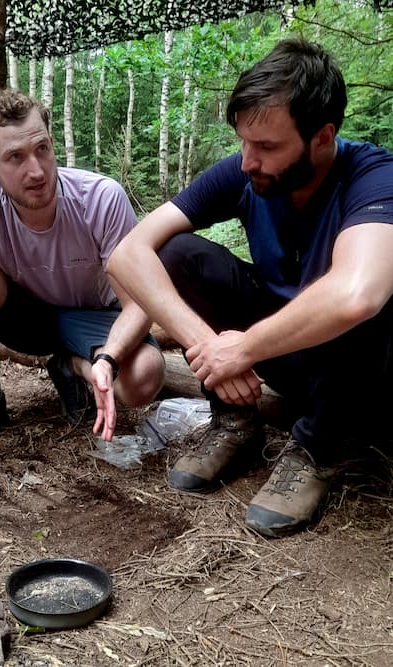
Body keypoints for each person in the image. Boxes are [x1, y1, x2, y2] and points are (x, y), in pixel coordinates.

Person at [108, 38, 393, 537]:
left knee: (367, 294)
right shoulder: (244, 174)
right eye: (243, 141)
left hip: (362, 368)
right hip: (287, 356)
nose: (247, 161)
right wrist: (208, 348)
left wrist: (245, 348)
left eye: (266, 147)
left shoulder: (375, 177)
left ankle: (319, 449)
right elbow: (128, 254)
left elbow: (357, 294)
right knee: (177, 254)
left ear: (322, 136)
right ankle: (236, 419)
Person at [0, 89, 164, 450]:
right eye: (15, 157)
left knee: (144, 376)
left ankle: (72, 365)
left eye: (41, 150)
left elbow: (140, 303)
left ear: (52, 143)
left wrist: (108, 357)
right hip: (28, 320)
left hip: (97, 319)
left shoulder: (101, 198)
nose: (35, 171)